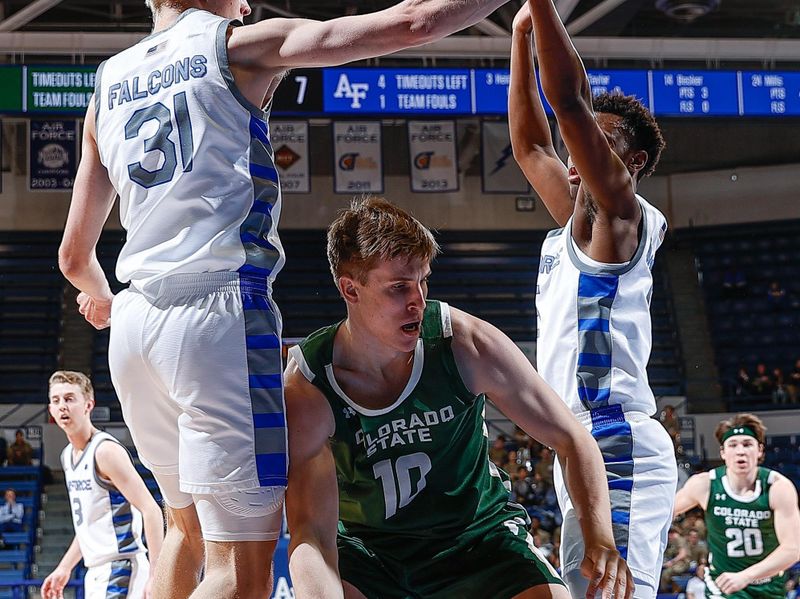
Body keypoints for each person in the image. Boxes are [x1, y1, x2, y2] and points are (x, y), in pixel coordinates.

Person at [56, 0, 521, 596]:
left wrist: (103, 298)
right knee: (241, 571)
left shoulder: (107, 83)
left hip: (136, 322)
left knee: (183, 528)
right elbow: (415, 22)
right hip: (215, 314)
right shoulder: (234, 46)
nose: (247, 4)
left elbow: (74, 258)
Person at [284, 198, 633, 599]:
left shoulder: (463, 342)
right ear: (350, 289)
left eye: (423, 280)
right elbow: (311, 534)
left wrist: (600, 537)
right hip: (372, 553)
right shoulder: (309, 385)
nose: (417, 299)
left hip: (476, 539)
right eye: (399, 287)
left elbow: (573, 439)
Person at [509, 3, 677, 597]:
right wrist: (520, 35)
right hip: (581, 444)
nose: (575, 157)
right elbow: (531, 147)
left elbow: (570, 105)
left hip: (615, 439)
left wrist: (541, 5)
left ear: (629, 164)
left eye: (595, 146)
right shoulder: (576, 226)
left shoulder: (621, 216)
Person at [41, 371, 163, 599]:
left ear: (88, 405)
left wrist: (156, 574)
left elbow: (151, 510)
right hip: (96, 571)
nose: (62, 406)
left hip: (121, 568)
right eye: (56, 400)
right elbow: (89, 523)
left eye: (69, 399)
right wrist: (64, 567)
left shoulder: (105, 451)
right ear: (50, 410)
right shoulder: (68, 456)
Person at [674, 413, 800, 597]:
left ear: (760, 451)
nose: (740, 451)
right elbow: (663, 513)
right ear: (723, 452)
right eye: (733, 445)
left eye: (747, 444)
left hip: (768, 584)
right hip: (722, 583)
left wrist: (745, 576)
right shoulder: (704, 484)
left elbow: (792, 549)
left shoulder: (777, 487)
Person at [660, 526, 690, 593]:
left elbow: (683, 554)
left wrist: (671, 562)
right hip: (675, 562)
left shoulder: (679, 539)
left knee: (666, 573)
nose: (669, 536)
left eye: (670, 533)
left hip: (683, 563)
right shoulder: (671, 542)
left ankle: (665, 593)